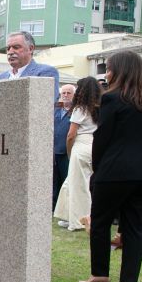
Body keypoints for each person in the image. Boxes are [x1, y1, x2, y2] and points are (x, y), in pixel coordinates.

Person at [80, 51, 142, 282]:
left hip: (115, 170)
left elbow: (103, 137)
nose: (108, 73)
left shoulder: (112, 99)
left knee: (101, 223)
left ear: (120, 70)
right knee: (136, 228)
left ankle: (100, 275)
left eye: (110, 68)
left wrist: (97, 168)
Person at [54, 77, 101, 231]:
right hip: (94, 146)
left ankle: (80, 220)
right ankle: (69, 215)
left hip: (81, 145)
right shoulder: (98, 108)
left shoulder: (80, 108)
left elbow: (71, 134)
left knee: (78, 185)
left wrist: (69, 150)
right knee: (71, 183)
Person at [0, 31, 60, 101]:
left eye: (16, 47)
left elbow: (45, 104)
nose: (10, 52)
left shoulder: (45, 73)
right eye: (8, 48)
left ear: (30, 49)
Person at [52, 84, 74, 212]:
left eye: (68, 93)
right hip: (54, 151)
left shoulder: (75, 110)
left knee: (67, 181)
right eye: (63, 93)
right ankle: (54, 207)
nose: (65, 95)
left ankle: (67, 209)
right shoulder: (56, 110)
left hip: (67, 152)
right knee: (54, 182)